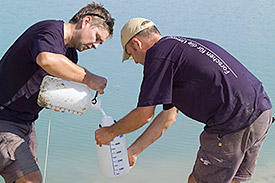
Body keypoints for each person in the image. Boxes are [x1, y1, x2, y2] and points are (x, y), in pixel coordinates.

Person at [95, 18, 274, 183]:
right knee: (235, 180)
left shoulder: (158, 56)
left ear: (137, 43)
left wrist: (110, 132)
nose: (134, 61)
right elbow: (168, 117)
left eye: (131, 54)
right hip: (262, 113)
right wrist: (134, 151)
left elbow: (144, 115)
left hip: (232, 122)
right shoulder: (178, 48)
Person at [0, 2, 114, 183]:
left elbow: (53, 91)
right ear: (86, 21)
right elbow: (46, 59)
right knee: (31, 180)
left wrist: (62, 101)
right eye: (97, 37)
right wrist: (89, 78)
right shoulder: (50, 31)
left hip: (27, 124)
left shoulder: (70, 55)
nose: (96, 46)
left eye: (100, 43)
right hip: (5, 119)